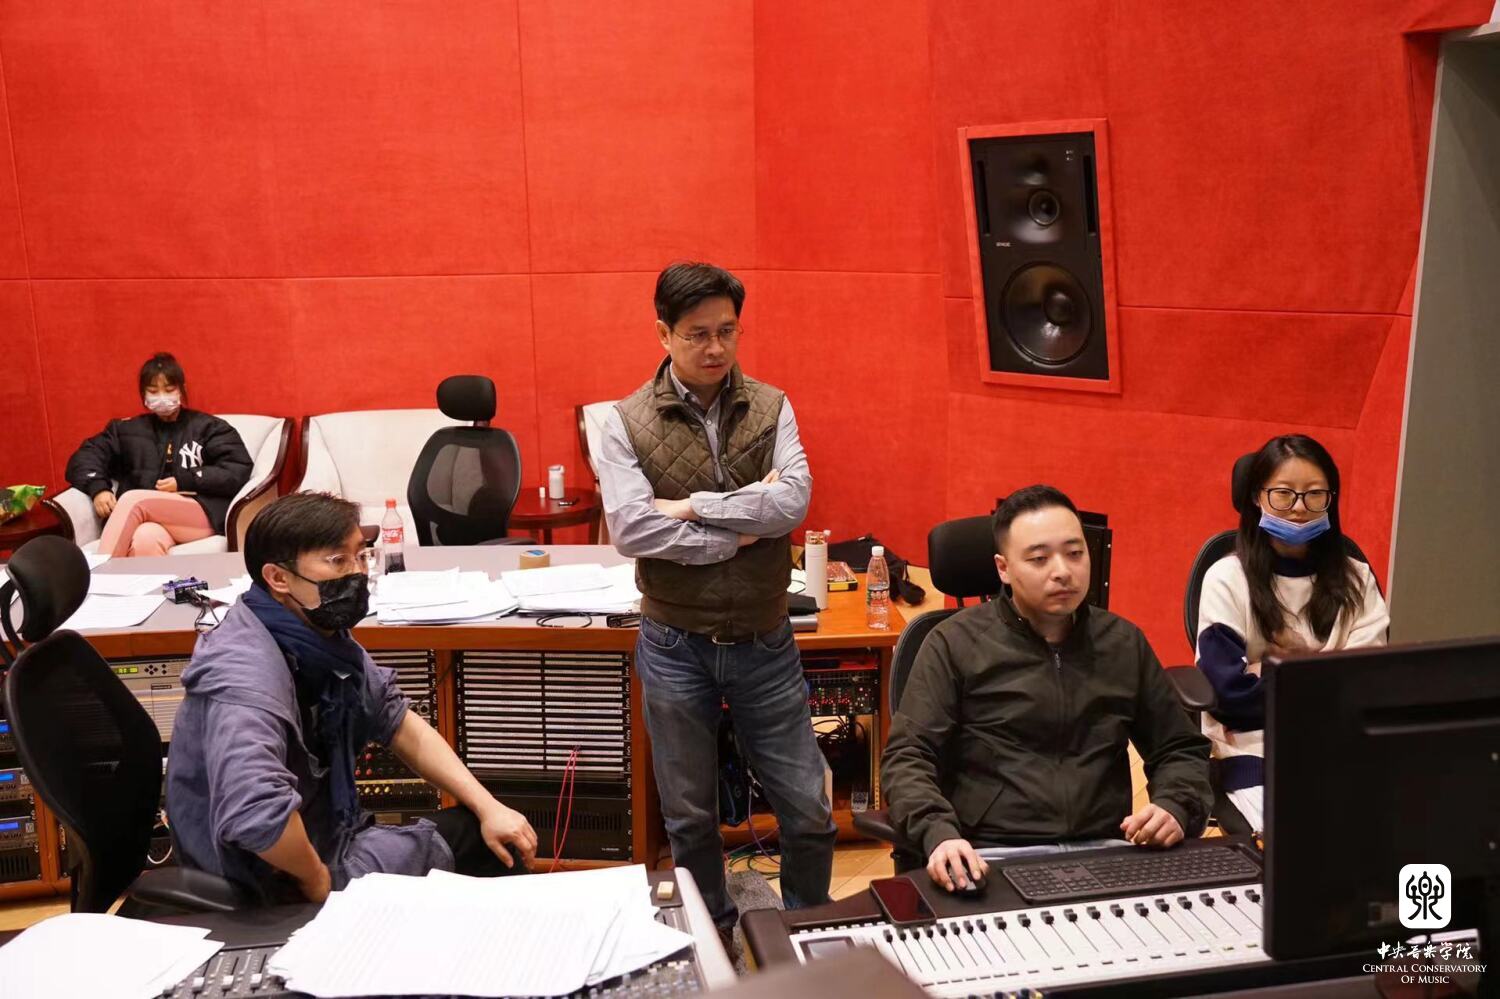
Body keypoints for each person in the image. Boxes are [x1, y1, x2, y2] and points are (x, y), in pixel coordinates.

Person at [594, 261, 834, 935]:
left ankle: (803, 933)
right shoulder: (624, 422)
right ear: (663, 334)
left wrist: (692, 506)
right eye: (698, 334)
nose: (716, 347)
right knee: (689, 817)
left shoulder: (772, 405)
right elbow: (632, 528)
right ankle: (716, 935)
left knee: (808, 807)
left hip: (765, 641)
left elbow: (792, 503)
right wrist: (737, 535)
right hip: (675, 645)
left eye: (728, 330)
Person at [166, 492, 538, 902]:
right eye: (337, 561)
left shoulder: (316, 636)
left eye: (361, 556)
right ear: (278, 578)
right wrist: (316, 880)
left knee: (494, 830)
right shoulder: (244, 669)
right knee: (486, 849)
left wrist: (489, 807)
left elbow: (396, 720)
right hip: (273, 879)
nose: (357, 573)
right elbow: (257, 814)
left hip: (326, 839)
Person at [882, 485, 1212, 893]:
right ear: (1003, 568)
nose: (1062, 571)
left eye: (1075, 553)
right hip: (989, 858)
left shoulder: (1122, 643)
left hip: (1106, 852)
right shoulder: (953, 644)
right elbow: (908, 757)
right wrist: (938, 833)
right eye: (1039, 559)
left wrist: (1175, 805)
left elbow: (1179, 748)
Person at [1195, 434, 1388, 829]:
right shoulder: (1227, 578)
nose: (1299, 508)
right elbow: (1229, 697)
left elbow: (1367, 684)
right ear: (1257, 497)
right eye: (1283, 494)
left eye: (1314, 494)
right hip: (1253, 753)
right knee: (1300, 836)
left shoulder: (1357, 578)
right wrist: (1322, 674)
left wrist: (1267, 670)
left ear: (1331, 499)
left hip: (1341, 746)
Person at [65, 352, 253, 557]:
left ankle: (100, 570)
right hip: (151, 519)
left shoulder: (210, 428)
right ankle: (137, 580)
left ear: (182, 389)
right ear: (144, 395)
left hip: (201, 513)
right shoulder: (126, 430)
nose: (162, 397)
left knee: (133, 500)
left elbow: (237, 469)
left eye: (169, 389)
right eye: (153, 391)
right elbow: (86, 456)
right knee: (145, 539)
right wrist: (97, 488)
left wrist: (185, 480)